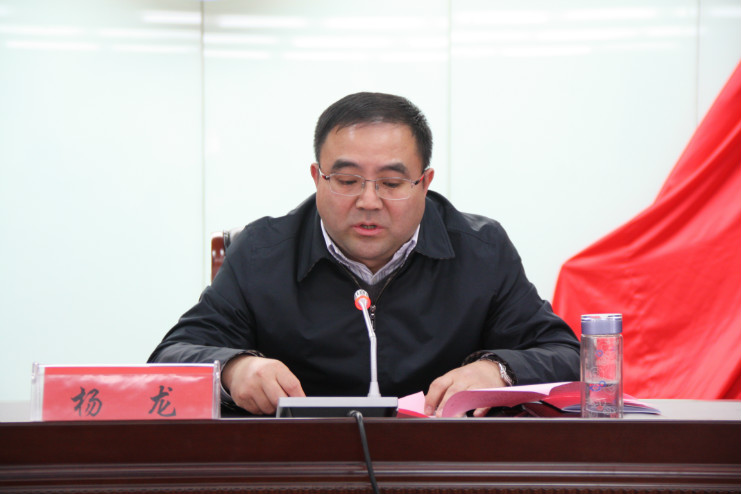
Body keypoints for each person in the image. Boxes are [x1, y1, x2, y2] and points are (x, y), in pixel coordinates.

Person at [148, 92, 579, 417]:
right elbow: (171, 356)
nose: (368, 201)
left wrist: (497, 371)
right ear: (317, 178)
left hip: (438, 464)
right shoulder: (262, 252)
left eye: (391, 183)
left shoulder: (480, 250)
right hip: (300, 466)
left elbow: (568, 355)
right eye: (347, 180)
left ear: (425, 182)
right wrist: (234, 368)